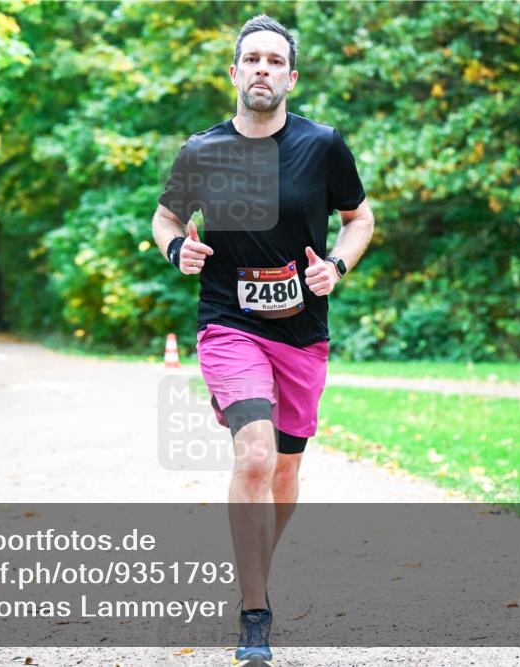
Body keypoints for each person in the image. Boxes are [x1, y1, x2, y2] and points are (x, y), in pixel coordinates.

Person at [152, 14, 374, 667]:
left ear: (291, 78)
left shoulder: (323, 145)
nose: (262, 70)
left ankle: (252, 569)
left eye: (275, 62)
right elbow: (166, 217)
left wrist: (337, 265)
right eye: (252, 59)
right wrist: (177, 249)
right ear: (234, 72)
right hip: (229, 321)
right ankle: (255, 612)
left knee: (284, 469)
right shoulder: (201, 151)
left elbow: (359, 219)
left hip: (303, 332)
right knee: (254, 454)